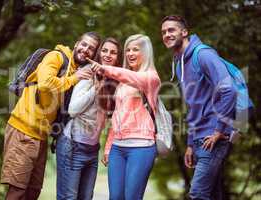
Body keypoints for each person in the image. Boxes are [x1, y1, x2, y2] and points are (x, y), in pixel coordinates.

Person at [0, 32, 101, 200]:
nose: (86, 50)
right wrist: (73, 79)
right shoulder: (57, 57)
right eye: (84, 44)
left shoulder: (78, 71)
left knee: (33, 191)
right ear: (76, 44)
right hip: (22, 129)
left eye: (91, 49)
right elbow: (45, 83)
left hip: (41, 136)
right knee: (17, 190)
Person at [160, 15, 236, 199]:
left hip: (214, 137)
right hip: (200, 139)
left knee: (197, 194)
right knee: (213, 195)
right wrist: (190, 144)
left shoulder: (203, 55)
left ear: (184, 32)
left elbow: (229, 91)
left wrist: (219, 130)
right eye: (163, 32)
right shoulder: (180, 65)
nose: (166, 34)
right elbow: (193, 106)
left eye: (171, 30)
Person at [90, 34, 161, 200]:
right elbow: (117, 115)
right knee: (115, 197)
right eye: (127, 49)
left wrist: (104, 68)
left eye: (135, 49)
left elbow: (130, 77)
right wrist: (108, 147)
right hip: (118, 148)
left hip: (141, 146)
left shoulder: (151, 78)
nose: (130, 53)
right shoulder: (122, 82)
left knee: (132, 197)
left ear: (146, 52)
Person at [56, 37, 122, 200]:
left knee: (86, 197)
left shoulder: (114, 82)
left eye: (113, 53)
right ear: (99, 54)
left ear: (118, 58)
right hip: (72, 144)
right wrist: (95, 89)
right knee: (69, 197)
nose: (108, 55)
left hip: (92, 149)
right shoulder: (88, 73)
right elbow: (72, 110)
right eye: (105, 50)